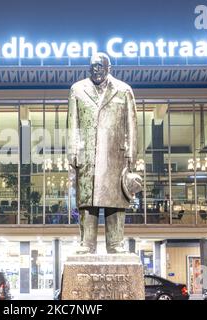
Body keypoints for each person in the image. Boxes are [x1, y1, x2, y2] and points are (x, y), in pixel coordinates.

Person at [67, 52, 138, 254]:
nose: (96, 70)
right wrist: (72, 153)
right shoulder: (77, 89)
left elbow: (132, 125)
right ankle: (86, 244)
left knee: (114, 202)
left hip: (115, 155)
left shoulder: (124, 90)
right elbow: (73, 124)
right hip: (87, 155)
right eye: (93, 67)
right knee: (87, 202)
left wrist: (132, 154)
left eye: (100, 66)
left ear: (109, 68)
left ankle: (115, 244)